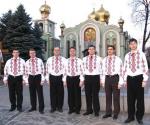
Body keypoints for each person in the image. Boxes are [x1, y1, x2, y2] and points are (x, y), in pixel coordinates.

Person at [123, 38, 148, 124]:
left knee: (140, 99)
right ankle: (130, 117)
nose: (133, 45)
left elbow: (145, 67)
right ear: (129, 45)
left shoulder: (142, 54)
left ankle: (139, 117)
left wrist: (144, 79)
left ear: (136, 44)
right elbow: (125, 68)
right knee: (130, 99)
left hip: (139, 78)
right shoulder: (127, 55)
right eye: (131, 44)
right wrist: (125, 79)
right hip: (130, 78)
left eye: (134, 43)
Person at [101, 45, 123, 120]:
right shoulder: (104, 60)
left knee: (116, 97)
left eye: (111, 49)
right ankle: (108, 113)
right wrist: (103, 81)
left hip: (115, 78)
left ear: (114, 50)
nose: (109, 51)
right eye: (108, 49)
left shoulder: (118, 59)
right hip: (107, 78)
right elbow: (103, 71)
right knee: (108, 96)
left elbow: (121, 71)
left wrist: (120, 82)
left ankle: (116, 113)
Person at [82, 45, 102, 116]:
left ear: (94, 50)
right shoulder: (84, 59)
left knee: (95, 95)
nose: (91, 50)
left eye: (92, 49)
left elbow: (101, 70)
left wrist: (101, 79)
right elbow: (82, 70)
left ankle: (96, 111)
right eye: (89, 49)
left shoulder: (99, 59)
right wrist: (82, 79)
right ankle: (89, 110)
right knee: (88, 94)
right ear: (88, 50)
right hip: (87, 78)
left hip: (95, 77)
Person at [63, 47, 84, 114]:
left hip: (77, 78)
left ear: (75, 52)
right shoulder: (66, 61)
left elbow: (82, 71)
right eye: (71, 51)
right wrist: (64, 80)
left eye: (73, 51)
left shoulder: (79, 61)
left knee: (77, 94)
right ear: (69, 52)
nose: (72, 52)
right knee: (70, 94)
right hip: (69, 78)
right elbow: (64, 71)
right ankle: (71, 108)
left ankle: (77, 109)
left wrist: (81, 80)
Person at [46, 47, 66, 113]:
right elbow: (47, 70)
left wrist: (64, 79)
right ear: (53, 51)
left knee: (60, 93)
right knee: (52, 93)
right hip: (52, 77)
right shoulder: (49, 59)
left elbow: (66, 70)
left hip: (60, 77)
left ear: (60, 51)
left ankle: (60, 107)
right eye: (55, 50)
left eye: (58, 50)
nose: (56, 51)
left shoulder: (64, 59)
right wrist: (47, 79)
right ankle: (53, 107)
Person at [25, 49, 45, 114]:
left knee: (40, 93)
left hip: (38, 77)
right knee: (32, 93)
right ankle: (33, 107)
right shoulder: (27, 62)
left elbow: (43, 71)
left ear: (35, 53)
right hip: (31, 77)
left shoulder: (39, 61)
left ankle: (41, 108)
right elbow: (26, 72)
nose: (32, 54)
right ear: (29, 54)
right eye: (31, 53)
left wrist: (42, 79)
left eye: (33, 53)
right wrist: (26, 81)